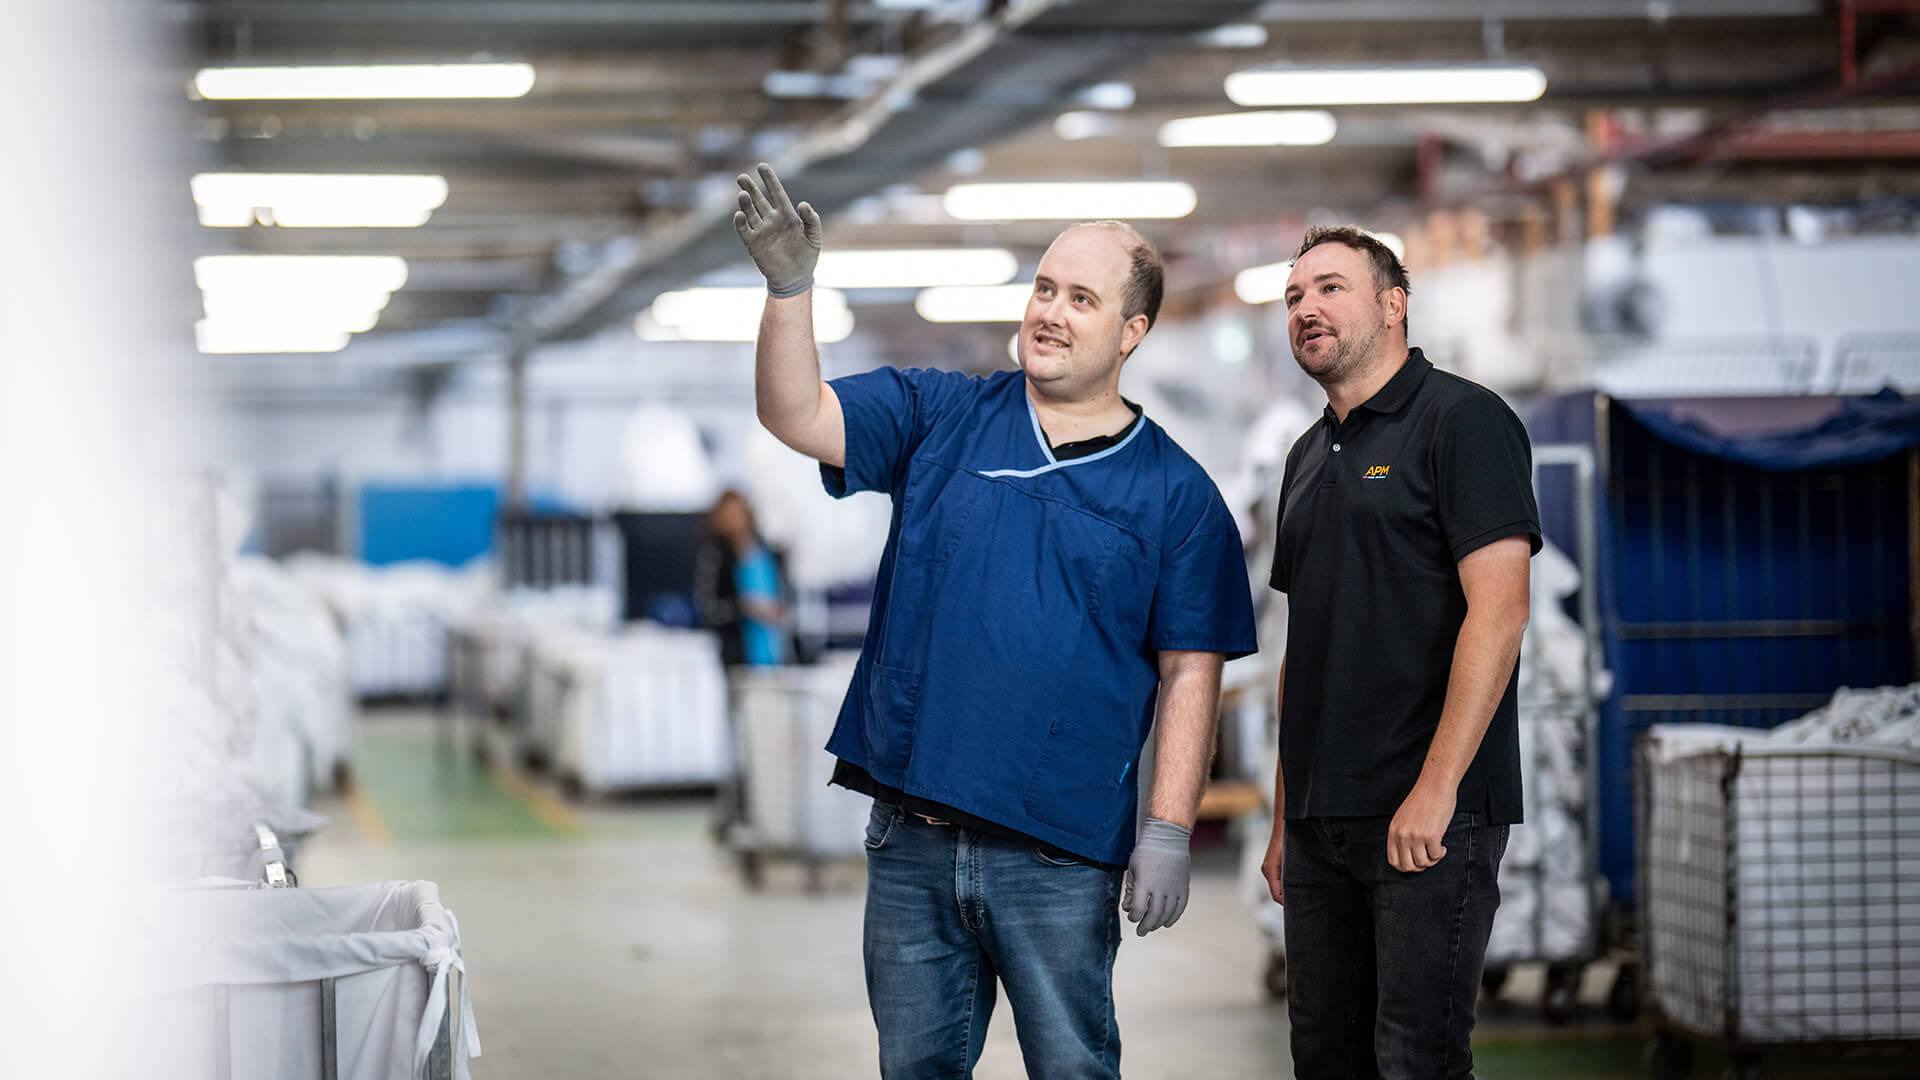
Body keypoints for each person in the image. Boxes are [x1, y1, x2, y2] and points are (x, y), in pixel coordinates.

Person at [732, 162, 1256, 1079]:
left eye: (1081, 298)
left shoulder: (1177, 494)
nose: (1049, 311)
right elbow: (797, 413)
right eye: (1044, 287)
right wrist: (788, 292)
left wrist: (1168, 827)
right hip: (914, 842)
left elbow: (1190, 672)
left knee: (1073, 1070)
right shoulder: (940, 415)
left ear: (1131, 331)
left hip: (1059, 857)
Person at [1258, 226, 1539, 1079]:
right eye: (1295, 297)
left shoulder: (1464, 420)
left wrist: (1437, 789)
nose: (1308, 308)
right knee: (1323, 1058)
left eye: (1331, 288)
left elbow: (1501, 611)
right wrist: (1281, 816)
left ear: (1392, 304)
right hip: (1318, 825)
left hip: (1427, 819)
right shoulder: (1306, 456)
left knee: (1415, 1059)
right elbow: (1304, 651)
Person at [693, 488, 792, 668]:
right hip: (738, 655)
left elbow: (787, 595)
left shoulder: (768, 551)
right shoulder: (716, 557)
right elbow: (708, 608)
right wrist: (744, 607)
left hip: (778, 652)